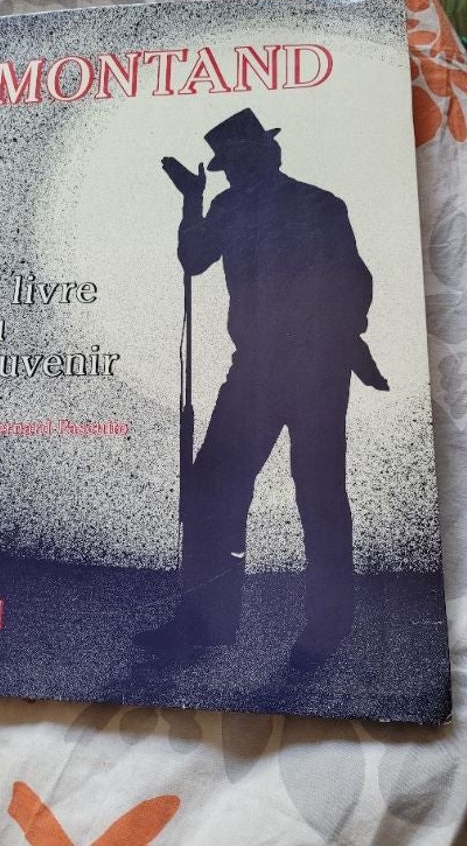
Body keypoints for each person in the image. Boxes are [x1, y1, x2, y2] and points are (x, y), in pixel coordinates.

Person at [136, 108, 388, 669]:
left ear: (263, 157)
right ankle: (214, 622)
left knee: (313, 495)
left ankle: (317, 629)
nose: (235, 172)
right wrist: (193, 199)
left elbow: (352, 282)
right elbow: (194, 260)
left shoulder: (313, 205)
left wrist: (351, 345)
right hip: (268, 368)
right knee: (227, 490)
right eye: (230, 166)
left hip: (308, 368)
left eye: (238, 162)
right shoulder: (240, 206)